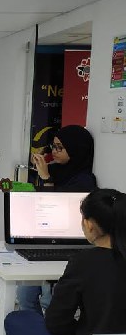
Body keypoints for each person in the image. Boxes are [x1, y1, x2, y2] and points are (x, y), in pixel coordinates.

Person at [5, 188, 126, 335]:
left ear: (89, 224)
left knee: (16, 320)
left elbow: (56, 323)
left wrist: (80, 331)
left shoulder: (84, 261)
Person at [17, 124, 98, 314]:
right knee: (25, 295)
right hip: (41, 241)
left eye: (60, 147)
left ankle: (46, 331)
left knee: (49, 300)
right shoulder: (55, 170)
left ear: (76, 149)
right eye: (53, 146)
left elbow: (57, 208)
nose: (54, 151)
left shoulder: (85, 180)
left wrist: (46, 177)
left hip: (66, 247)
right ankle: (32, 330)